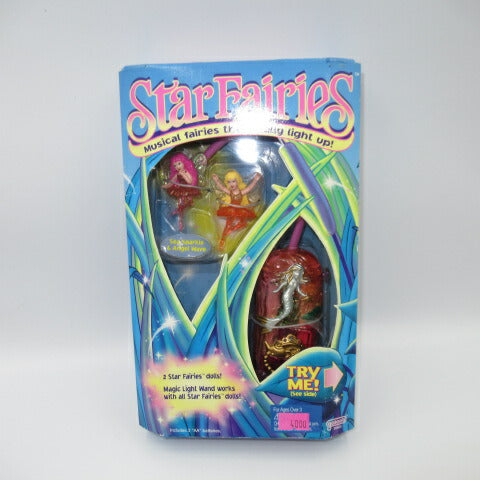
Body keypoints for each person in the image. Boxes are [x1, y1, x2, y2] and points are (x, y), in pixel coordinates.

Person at [211, 169, 262, 249]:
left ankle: (236, 232)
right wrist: (216, 180)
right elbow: (222, 188)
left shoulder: (241, 193)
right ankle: (222, 240)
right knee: (227, 225)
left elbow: (249, 188)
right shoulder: (230, 192)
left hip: (240, 210)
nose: (231, 184)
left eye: (233, 181)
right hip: (230, 210)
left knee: (242, 223)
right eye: (229, 182)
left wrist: (255, 180)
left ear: (238, 181)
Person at [162, 153, 200, 231]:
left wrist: (183, 174)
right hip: (180, 190)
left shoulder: (185, 171)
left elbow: (190, 181)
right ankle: (180, 219)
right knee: (180, 204)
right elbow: (171, 182)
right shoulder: (176, 174)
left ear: (184, 163)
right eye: (175, 165)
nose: (177, 167)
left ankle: (183, 218)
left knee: (185, 205)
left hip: (188, 190)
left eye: (179, 164)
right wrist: (164, 186)